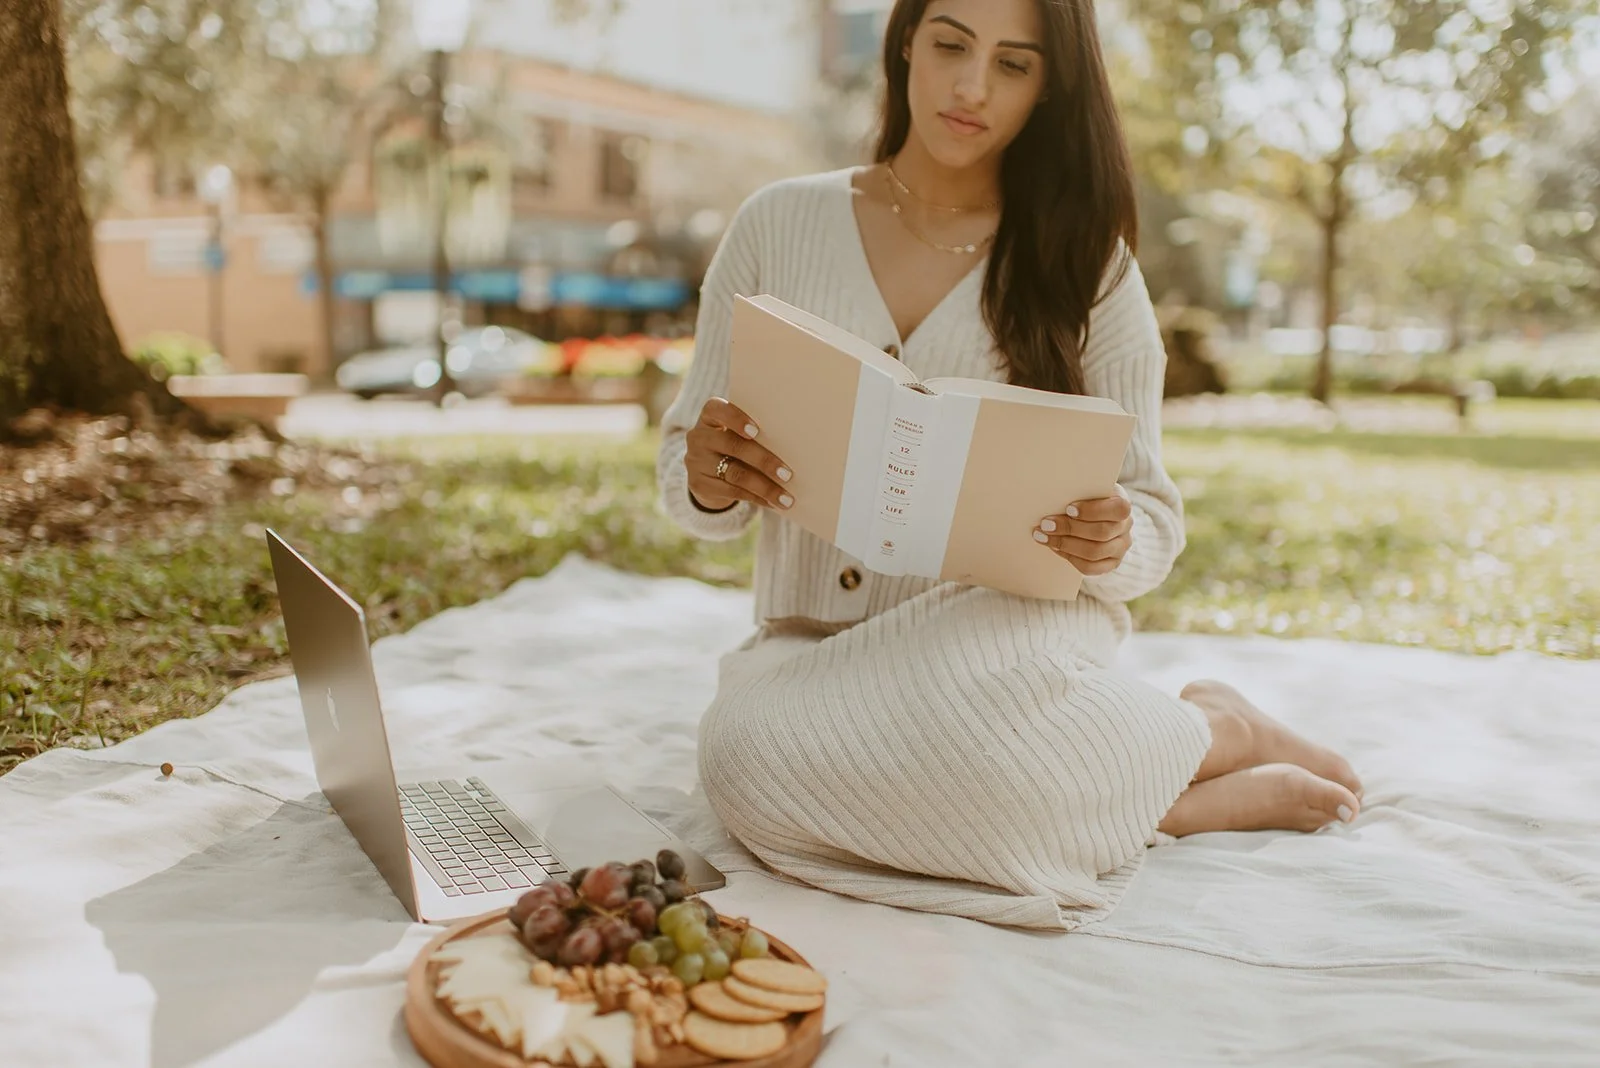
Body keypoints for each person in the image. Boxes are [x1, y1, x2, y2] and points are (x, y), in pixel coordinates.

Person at [656, 0, 1363, 930]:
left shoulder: (1090, 268)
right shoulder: (776, 224)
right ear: (905, 40)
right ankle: (1177, 779)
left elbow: (1153, 518)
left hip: (1001, 645)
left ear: (1049, 87)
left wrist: (1111, 537)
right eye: (951, 45)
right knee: (744, 760)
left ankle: (1204, 734)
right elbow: (684, 474)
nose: (971, 86)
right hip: (812, 652)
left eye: (1014, 64)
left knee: (970, 746)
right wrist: (710, 476)